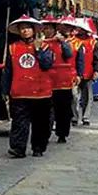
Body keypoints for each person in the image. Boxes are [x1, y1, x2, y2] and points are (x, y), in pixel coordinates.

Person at [2, 15, 53, 158]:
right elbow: (8, 71)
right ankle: (18, 148)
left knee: (40, 122)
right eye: (22, 28)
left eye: (28, 28)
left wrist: (38, 50)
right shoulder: (13, 48)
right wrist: (5, 90)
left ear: (34, 30)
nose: (25, 31)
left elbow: (47, 65)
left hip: (41, 91)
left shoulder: (44, 46)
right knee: (19, 121)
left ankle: (38, 147)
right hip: (19, 91)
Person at [43, 16, 82, 144]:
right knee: (47, 110)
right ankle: (45, 133)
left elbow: (70, 55)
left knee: (63, 110)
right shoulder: (42, 42)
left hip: (63, 81)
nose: (46, 31)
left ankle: (62, 133)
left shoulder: (65, 43)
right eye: (45, 28)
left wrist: (62, 43)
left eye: (49, 28)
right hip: (46, 81)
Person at [71, 19, 98, 125]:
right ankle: (74, 116)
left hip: (88, 72)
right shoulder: (72, 41)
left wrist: (96, 70)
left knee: (88, 96)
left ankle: (86, 116)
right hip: (74, 73)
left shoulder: (93, 42)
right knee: (74, 95)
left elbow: (97, 58)